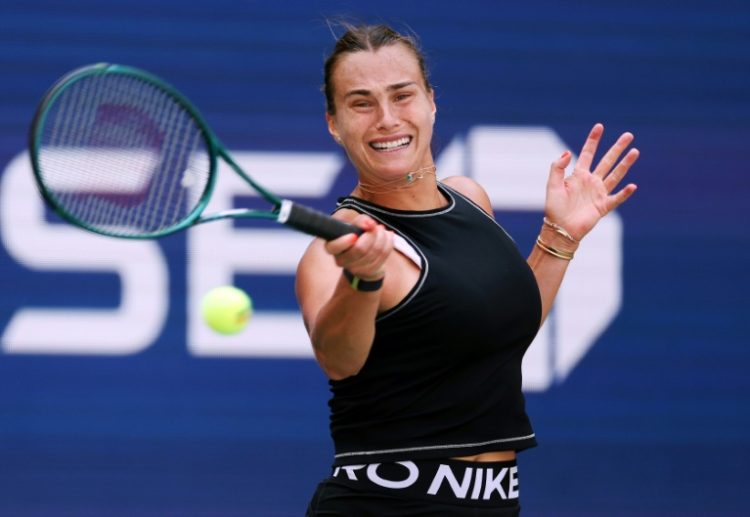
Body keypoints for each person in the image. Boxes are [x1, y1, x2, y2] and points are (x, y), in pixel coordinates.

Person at [296, 23, 639, 516]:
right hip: (384, 505)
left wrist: (560, 236)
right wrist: (362, 279)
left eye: (402, 95)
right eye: (361, 103)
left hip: (495, 503)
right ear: (334, 122)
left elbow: (495, 330)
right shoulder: (337, 246)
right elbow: (338, 359)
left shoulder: (470, 199)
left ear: (432, 101)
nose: (387, 119)